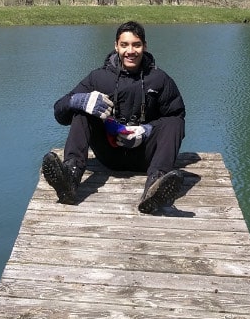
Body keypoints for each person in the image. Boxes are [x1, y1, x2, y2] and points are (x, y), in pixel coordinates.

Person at [41, 20, 186, 214]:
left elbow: (177, 115)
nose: (130, 51)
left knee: (174, 122)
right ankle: (70, 177)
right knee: (82, 111)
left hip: (145, 156)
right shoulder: (98, 78)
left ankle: (156, 186)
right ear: (116, 46)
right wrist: (79, 101)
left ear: (145, 46)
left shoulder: (159, 79)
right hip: (108, 154)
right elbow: (60, 113)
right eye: (124, 45)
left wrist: (146, 130)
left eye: (136, 44)